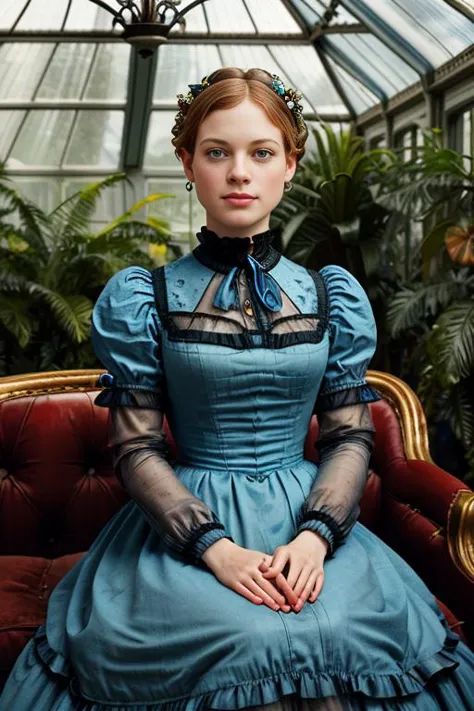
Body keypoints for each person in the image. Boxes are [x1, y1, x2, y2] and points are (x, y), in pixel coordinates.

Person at [1, 67, 473, 711]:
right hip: (186, 523)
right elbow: (136, 451)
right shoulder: (149, 297)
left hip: (311, 517)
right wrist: (214, 550)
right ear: (188, 165)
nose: (239, 173)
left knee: (339, 633)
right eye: (217, 152)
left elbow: (349, 436)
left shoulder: (331, 294)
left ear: (290, 163)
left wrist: (315, 537)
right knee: (242, 637)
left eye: (261, 152)